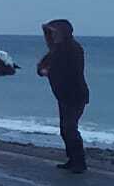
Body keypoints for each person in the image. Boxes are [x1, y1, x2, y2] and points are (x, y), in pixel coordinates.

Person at [38, 19, 89, 173]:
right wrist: (43, 70)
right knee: (65, 129)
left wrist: (49, 72)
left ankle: (79, 162)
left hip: (75, 94)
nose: (52, 36)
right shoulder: (56, 49)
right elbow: (43, 65)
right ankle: (72, 159)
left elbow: (71, 71)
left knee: (70, 128)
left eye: (54, 33)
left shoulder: (73, 48)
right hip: (63, 95)